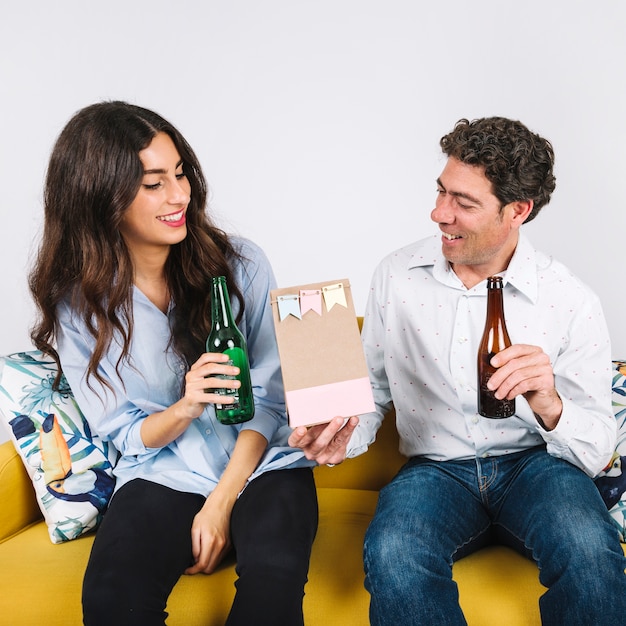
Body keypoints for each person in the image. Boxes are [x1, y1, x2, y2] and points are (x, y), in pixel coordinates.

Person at [290, 116, 626, 625]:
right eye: (442, 192)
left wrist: (550, 403)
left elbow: (600, 449)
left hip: (537, 466)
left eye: (464, 203)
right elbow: (374, 391)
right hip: (435, 470)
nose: (438, 213)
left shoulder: (570, 299)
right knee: (394, 553)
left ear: (517, 211)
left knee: (589, 548)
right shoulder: (396, 275)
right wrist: (342, 439)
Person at [29, 101, 318, 626]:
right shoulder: (78, 306)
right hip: (164, 474)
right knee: (111, 603)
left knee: (271, 592)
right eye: (154, 183)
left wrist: (220, 505)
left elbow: (272, 400)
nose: (179, 195)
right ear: (101, 197)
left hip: (262, 468)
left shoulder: (243, 265)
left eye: (180, 174)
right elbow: (124, 432)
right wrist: (186, 406)